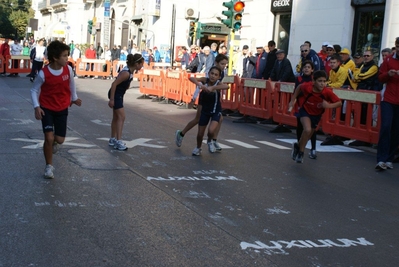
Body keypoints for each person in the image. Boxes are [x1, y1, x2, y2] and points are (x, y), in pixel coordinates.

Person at [30, 40, 82, 179]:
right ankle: (49, 166)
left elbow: (71, 84)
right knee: (48, 137)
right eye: (64, 55)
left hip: (62, 107)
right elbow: (34, 90)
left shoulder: (68, 69)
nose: (67, 58)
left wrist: (74, 98)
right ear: (55, 58)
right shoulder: (43, 73)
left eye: (67, 55)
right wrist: (37, 107)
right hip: (46, 108)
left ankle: (53, 144)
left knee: (59, 139)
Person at [175, 54, 229, 150]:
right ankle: (181, 133)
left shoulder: (222, 73)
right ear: (216, 62)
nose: (224, 66)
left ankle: (213, 140)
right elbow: (197, 81)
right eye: (222, 64)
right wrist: (197, 92)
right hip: (205, 98)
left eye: (225, 64)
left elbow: (221, 86)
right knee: (198, 119)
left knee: (219, 118)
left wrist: (216, 91)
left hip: (214, 99)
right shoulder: (211, 72)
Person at [289, 70, 342, 163]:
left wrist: (328, 106)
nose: (322, 84)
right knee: (307, 129)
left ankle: (298, 146)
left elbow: (339, 103)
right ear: (314, 82)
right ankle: (301, 152)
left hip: (317, 114)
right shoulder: (307, 87)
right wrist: (292, 100)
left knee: (308, 134)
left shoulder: (327, 92)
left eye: (324, 81)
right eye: (320, 81)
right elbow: (299, 87)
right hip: (305, 110)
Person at [188, 66, 229, 156]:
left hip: (215, 110)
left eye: (216, 75)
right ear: (208, 73)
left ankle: (210, 141)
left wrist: (213, 88)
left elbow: (226, 86)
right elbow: (191, 78)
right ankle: (198, 148)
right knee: (200, 134)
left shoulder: (218, 83)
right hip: (205, 110)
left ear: (218, 77)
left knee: (211, 130)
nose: (213, 76)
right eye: (212, 73)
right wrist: (199, 85)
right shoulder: (204, 80)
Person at [108, 54, 144, 151]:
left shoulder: (130, 71)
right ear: (136, 64)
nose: (142, 66)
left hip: (118, 94)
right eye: (141, 64)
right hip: (116, 95)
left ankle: (113, 139)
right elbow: (114, 84)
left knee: (116, 117)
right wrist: (112, 99)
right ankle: (118, 141)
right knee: (121, 117)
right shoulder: (126, 73)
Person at [375, 37, 399, 170]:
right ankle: (381, 159)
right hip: (388, 99)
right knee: (385, 127)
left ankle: (389, 158)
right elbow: (380, 77)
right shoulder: (388, 59)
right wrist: (388, 74)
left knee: (396, 130)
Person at [292, 60, 317, 159]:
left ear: (312, 70)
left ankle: (313, 148)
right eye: (305, 67)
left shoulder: (314, 79)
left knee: (312, 128)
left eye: (308, 67)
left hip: (312, 106)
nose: (306, 69)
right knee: (300, 127)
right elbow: (296, 92)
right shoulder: (299, 78)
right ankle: (299, 146)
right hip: (301, 105)